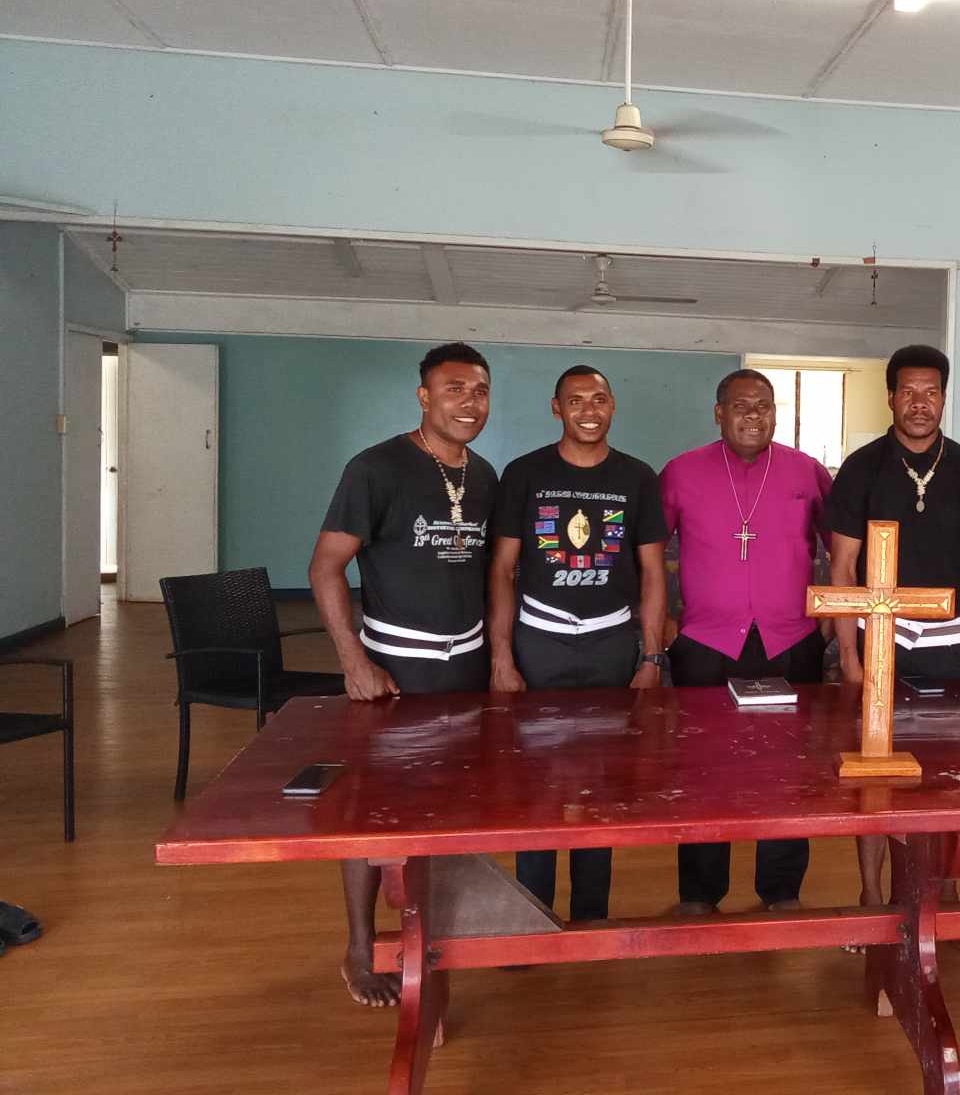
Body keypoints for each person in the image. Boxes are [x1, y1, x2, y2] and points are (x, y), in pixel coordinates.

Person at [308, 342, 497, 1007]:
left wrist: (498, 660)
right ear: (424, 396)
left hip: (467, 665)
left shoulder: (485, 475)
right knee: (372, 814)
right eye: (453, 389)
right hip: (394, 669)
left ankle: (442, 931)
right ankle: (360, 949)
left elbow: (488, 573)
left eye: (479, 390)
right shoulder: (377, 468)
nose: (468, 402)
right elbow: (325, 566)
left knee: (453, 808)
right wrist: (353, 661)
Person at [825, 344, 960, 948]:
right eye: (908, 392)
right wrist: (849, 657)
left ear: (944, 397)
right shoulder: (862, 468)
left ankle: (945, 905)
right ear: (890, 396)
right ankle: (872, 901)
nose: (920, 403)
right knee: (874, 780)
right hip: (882, 644)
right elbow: (843, 566)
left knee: (950, 782)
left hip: (953, 646)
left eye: (931, 392)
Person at [487, 365, 668, 920]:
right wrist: (501, 655)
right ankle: (532, 916)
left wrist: (652, 654)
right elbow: (502, 570)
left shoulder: (638, 477)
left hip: (611, 644)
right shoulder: (524, 473)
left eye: (599, 399)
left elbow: (654, 573)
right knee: (535, 786)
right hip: (540, 642)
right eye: (575, 400)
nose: (588, 410)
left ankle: (592, 916)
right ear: (556, 408)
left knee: (602, 785)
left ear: (613, 406)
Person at [659, 368, 832, 913]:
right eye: (741, 405)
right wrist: (664, 622)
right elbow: (649, 552)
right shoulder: (682, 472)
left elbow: (839, 547)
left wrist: (830, 615)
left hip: (789, 639)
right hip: (707, 642)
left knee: (787, 770)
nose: (753, 415)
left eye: (764, 405)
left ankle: (781, 890)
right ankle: (701, 893)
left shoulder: (807, 471)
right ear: (718, 412)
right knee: (703, 771)